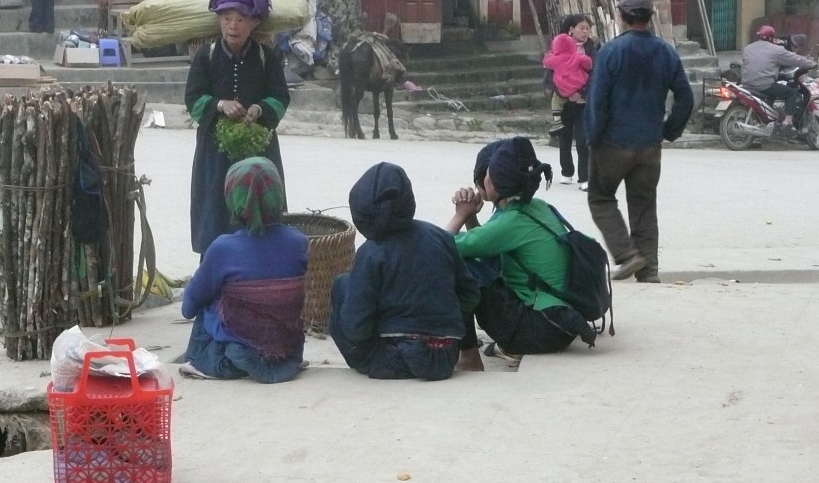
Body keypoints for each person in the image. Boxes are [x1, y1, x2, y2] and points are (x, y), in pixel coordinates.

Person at [447, 138, 598, 372]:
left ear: (494, 184)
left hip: (542, 329)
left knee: (462, 269)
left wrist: (460, 215)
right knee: (482, 264)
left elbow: (439, 248)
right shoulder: (537, 206)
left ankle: (469, 357)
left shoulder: (509, 223)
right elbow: (485, 243)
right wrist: (470, 217)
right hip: (561, 321)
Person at [329, 162, 479, 380]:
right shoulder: (441, 238)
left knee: (342, 284)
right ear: (408, 201)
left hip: (393, 360)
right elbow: (470, 296)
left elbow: (356, 329)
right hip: (445, 358)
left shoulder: (370, 253)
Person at [584, 0, 694, 283]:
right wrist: (669, 130)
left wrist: (592, 136)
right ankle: (649, 271)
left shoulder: (610, 52)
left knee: (600, 198)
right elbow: (685, 97)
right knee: (644, 206)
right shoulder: (666, 52)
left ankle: (626, 254)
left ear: (621, 15)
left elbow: (598, 101)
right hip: (649, 145)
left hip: (613, 144)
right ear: (651, 16)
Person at [179, 157, 309, 383]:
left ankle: (203, 362)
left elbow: (188, 307)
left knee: (208, 301)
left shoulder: (223, 248)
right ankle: (272, 364)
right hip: (286, 352)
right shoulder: (299, 242)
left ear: (233, 200)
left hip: (231, 360)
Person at [184, 0, 290, 255]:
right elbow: (193, 99)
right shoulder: (205, 57)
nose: (232, 26)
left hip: (258, 148)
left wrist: (259, 109)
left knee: (258, 203)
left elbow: (280, 97)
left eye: (240, 19)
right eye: (226, 18)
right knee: (214, 207)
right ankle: (214, 262)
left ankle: (259, 261)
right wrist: (220, 105)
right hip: (215, 151)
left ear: (254, 23)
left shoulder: (268, 58)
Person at [544, 14, 597, 189]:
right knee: (564, 138)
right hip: (564, 100)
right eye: (581, 27)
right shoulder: (558, 46)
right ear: (571, 29)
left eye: (587, 28)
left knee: (583, 140)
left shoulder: (592, 49)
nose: (585, 31)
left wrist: (581, 92)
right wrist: (562, 92)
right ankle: (567, 171)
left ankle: (584, 178)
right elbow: (552, 73)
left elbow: (594, 73)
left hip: (583, 102)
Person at [742, 25, 815, 131]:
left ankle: (767, 119)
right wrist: (811, 63)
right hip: (763, 84)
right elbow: (795, 59)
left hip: (746, 83)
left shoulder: (747, 48)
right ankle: (788, 122)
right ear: (771, 37)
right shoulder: (776, 49)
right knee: (791, 93)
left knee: (772, 92)